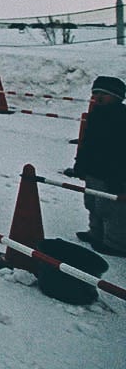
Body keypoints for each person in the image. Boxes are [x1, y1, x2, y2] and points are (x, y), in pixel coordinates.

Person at [67, 76, 126, 256]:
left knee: (111, 210)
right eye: (95, 94)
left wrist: (120, 176)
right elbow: (87, 143)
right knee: (92, 204)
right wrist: (80, 165)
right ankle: (96, 233)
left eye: (104, 94)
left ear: (117, 97)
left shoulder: (121, 117)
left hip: (112, 175)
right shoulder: (95, 115)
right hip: (94, 171)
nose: (98, 98)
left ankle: (115, 243)